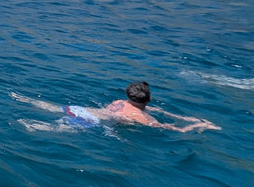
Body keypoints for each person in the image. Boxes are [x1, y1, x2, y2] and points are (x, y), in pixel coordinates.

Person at [13, 82, 220, 132]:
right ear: (148, 100)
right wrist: (196, 126)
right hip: (91, 121)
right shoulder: (144, 119)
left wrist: (192, 118)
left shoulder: (119, 102)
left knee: (54, 108)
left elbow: (162, 112)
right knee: (65, 129)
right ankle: (34, 126)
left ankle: (25, 100)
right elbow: (174, 128)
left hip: (82, 109)